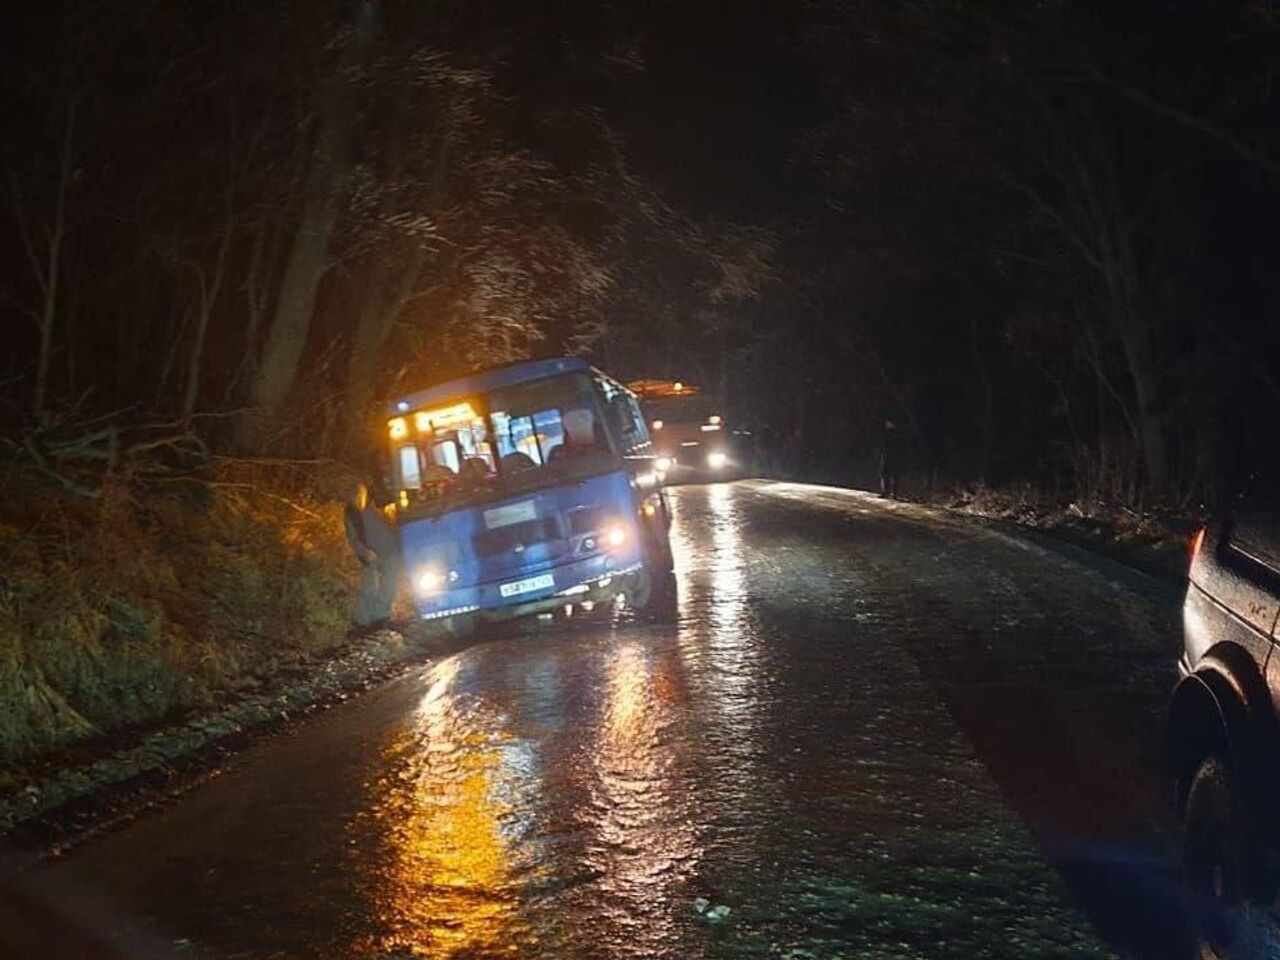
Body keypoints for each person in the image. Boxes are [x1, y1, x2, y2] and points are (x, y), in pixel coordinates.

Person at [344, 480, 400, 632]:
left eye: (361, 494)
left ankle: (381, 617)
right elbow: (353, 539)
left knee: (389, 586)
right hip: (370, 556)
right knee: (369, 588)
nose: (358, 498)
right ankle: (363, 622)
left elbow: (394, 523)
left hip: (390, 550)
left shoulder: (378, 505)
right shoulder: (351, 514)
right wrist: (364, 552)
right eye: (355, 496)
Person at [879, 419, 900, 499]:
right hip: (887, 456)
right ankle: (887, 492)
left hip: (893, 457)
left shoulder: (895, 434)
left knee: (893, 476)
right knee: (886, 475)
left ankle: (893, 493)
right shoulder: (886, 433)